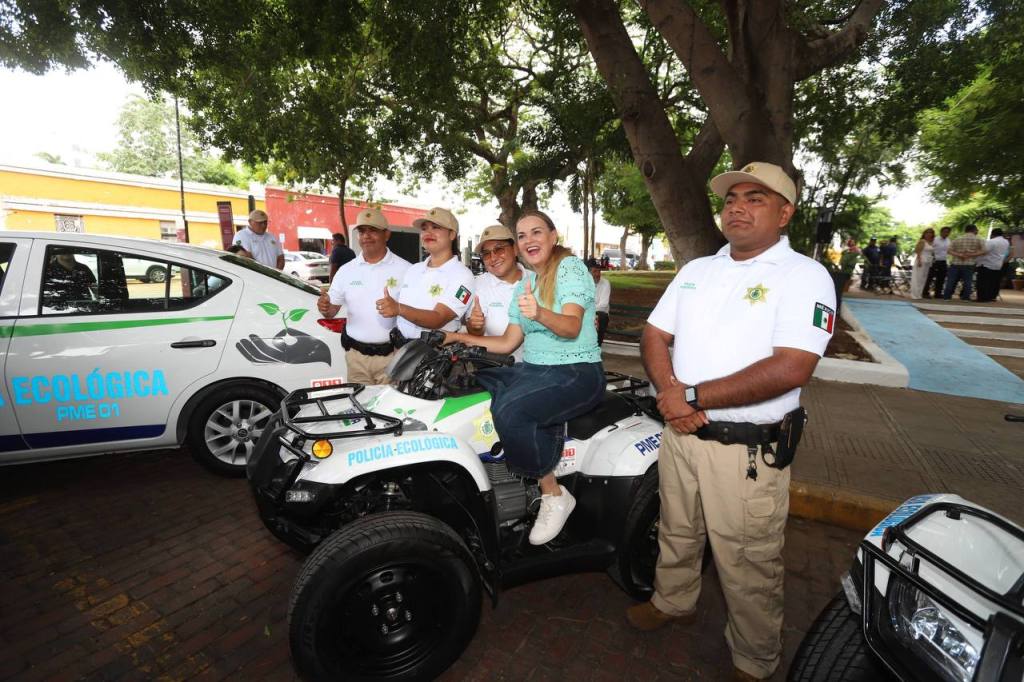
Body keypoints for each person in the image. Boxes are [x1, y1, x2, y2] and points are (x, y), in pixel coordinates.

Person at [627, 162, 834, 682]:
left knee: (747, 561)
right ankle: (673, 601)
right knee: (676, 529)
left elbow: (792, 366)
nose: (737, 207)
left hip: (745, 451)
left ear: (785, 213)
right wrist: (672, 395)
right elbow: (653, 335)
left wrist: (690, 395)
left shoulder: (805, 276)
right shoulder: (698, 270)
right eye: (731, 198)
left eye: (756, 198)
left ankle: (755, 658)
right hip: (682, 435)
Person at [444, 210, 605, 545]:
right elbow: (507, 342)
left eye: (536, 232)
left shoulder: (570, 268)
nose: (529, 240)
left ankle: (553, 493)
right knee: (481, 384)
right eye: (522, 235)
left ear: (553, 235)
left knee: (512, 411)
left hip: (577, 371)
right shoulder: (526, 284)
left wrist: (541, 313)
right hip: (536, 368)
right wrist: (460, 339)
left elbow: (572, 325)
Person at [317, 208, 412, 384]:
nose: (366, 236)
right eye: (362, 231)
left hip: (391, 358)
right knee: (359, 409)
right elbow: (331, 311)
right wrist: (325, 307)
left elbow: (415, 313)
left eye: (373, 230)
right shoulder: (346, 271)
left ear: (387, 234)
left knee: (387, 410)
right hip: (356, 359)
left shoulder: (406, 270)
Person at [380, 207, 475, 346]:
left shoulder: (463, 276)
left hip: (437, 356)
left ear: (452, 234)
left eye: (435, 227)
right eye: (424, 228)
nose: (428, 233)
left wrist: (399, 309)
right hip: (403, 350)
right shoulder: (413, 269)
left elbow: (438, 319)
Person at [464, 224, 526, 362]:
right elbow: (475, 332)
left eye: (499, 249)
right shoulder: (479, 284)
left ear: (515, 249)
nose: (493, 257)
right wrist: (475, 325)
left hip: (538, 366)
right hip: (494, 366)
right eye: (486, 254)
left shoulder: (537, 281)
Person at [943, 224, 986, 300]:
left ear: (965, 230)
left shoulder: (957, 239)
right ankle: (966, 297)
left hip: (955, 263)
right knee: (968, 281)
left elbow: (949, 250)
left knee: (951, 280)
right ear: (974, 230)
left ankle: (947, 296)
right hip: (969, 263)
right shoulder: (979, 239)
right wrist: (971, 254)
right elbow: (984, 251)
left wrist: (959, 255)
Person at [976, 228, 1010, 302]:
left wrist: (971, 254)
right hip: (998, 264)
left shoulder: (992, 241)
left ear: (992, 234)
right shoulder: (1006, 242)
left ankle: (982, 298)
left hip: (987, 264)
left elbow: (984, 252)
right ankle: (990, 297)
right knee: (993, 282)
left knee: (983, 282)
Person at [589, 259, 611, 345]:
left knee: (600, 317)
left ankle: (597, 347)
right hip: (586, 312)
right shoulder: (583, 283)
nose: (597, 274)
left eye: (599, 271)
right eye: (594, 271)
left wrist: (589, 311)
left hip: (600, 314)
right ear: (588, 272)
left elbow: (603, 305)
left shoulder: (605, 283)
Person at [909, 228, 936, 300]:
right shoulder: (922, 241)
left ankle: (919, 294)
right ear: (924, 234)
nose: (929, 234)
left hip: (928, 261)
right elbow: (917, 251)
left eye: (931, 233)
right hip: (921, 260)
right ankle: (914, 294)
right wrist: (919, 261)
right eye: (927, 233)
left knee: (923, 278)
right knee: (918, 278)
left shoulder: (932, 242)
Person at [925, 226, 951, 298]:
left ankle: (938, 293)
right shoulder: (935, 239)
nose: (946, 233)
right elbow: (929, 249)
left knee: (941, 278)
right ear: (941, 232)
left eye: (948, 232)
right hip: (934, 261)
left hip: (943, 261)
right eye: (945, 232)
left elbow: (949, 251)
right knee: (930, 277)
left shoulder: (949, 241)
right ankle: (925, 292)